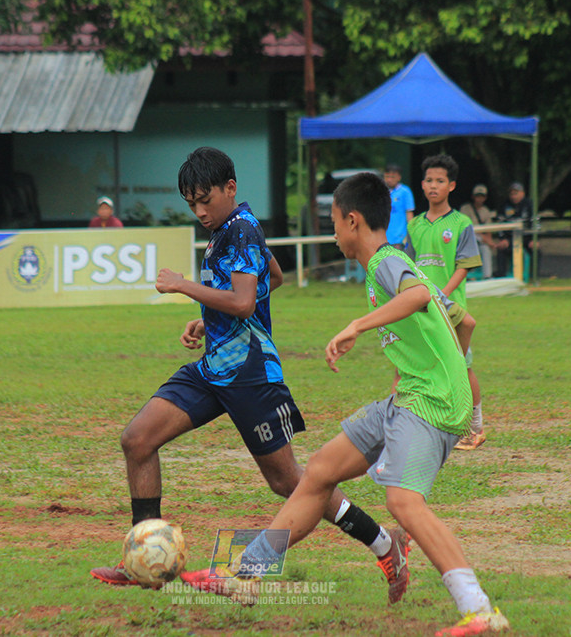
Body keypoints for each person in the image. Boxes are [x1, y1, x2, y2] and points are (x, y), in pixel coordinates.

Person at [181, 171, 509, 636]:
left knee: (403, 502)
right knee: (318, 470)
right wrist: (430, 361)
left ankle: (480, 610)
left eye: (333, 222)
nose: (333, 231)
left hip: (431, 402)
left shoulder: (386, 264)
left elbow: (417, 295)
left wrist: (358, 325)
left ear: (352, 221)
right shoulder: (389, 263)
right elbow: (459, 317)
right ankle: (243, 574)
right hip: (411, 394)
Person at [90, 147, 410, 603]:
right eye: (191, 203)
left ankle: (385, 543)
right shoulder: (230, 230)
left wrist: (185, 286)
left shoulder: (239, 230)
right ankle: (143, 557)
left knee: (291, 482)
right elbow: (271, 278)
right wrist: (211, 318)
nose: (199, 210)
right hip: (213, 368)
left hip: (250, 374)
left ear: (230, 188)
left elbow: (242, 301)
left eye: (205, 199)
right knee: (137, 440)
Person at [406, 155, 487, 450]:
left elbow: (464, 266)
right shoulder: (414, 226)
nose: (433, 186)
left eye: (440, 181)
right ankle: (423, 426)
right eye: (429, 180)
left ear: (451, 186)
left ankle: (475, 426)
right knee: (416, 367)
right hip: (421, 306)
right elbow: (409, 267)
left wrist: (442, 295)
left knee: (462, 366)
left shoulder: (461, 223)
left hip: (451, 307)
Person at [494, 182, 539, 277]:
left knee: (536, 250)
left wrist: (535, 239)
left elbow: (536, 223)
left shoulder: (529, 205)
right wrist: (503, 239)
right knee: (501, 248)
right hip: (510, 238)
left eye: (516, 193)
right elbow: (500, 224)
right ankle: (501, 277)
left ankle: (533, 277)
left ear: (523, 193)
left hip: (526, 237)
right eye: (511, 194)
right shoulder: (504, 205)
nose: (513, 196)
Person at [459, 185, 498, 279]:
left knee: (486, 248)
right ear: (473, 197)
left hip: (481, 242)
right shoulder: (465, 208)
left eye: (482, 196)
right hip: (467, 239)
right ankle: (468, 277)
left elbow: (488, 229)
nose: (479, 199)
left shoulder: (486, 211)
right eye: (477, 196)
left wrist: (489, 242)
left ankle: (487, 276)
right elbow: (464, 227)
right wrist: (485, 239)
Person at [383, 164, 415, 249]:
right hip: (384, 239)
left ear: (399, 177)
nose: (389, 180)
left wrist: (410, 235)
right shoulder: (382, 192)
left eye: (392, 177)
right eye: (387, 177)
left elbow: (409, 214)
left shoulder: (405, 192)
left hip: (399, 239)